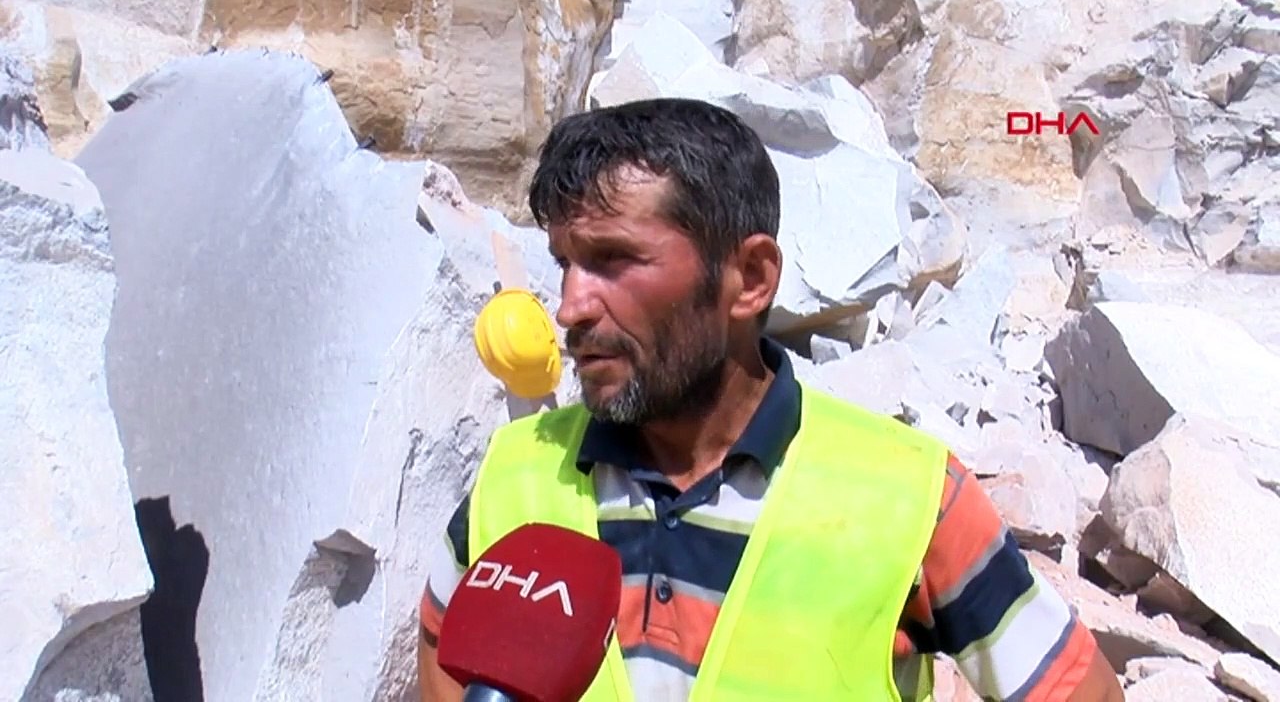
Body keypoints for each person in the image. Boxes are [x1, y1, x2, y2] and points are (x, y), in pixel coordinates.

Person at [417, 97, 1124, 701]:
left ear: (750, 277)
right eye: (565, 262)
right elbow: (443, 648)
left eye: (613, 260)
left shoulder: (909, 497)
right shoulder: (515, 471)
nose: (570, 306)